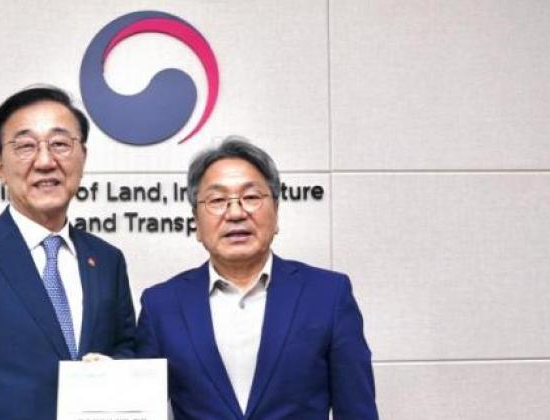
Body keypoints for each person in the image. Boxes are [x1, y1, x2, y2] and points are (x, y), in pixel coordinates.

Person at [0, 86, 136, 419]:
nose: (45, 161)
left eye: (60, 144)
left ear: (83, 157)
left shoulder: (106, 260)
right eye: (25, 146)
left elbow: (125, 349)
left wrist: (113, 373)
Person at [135, 137, 378, 419]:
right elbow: (140, 408)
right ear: (196, 223)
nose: (236, 213)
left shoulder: (328, 295)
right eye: (217, 200)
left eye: (251, 197)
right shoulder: (161, 305)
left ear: (276, 213)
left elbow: (357, 412)